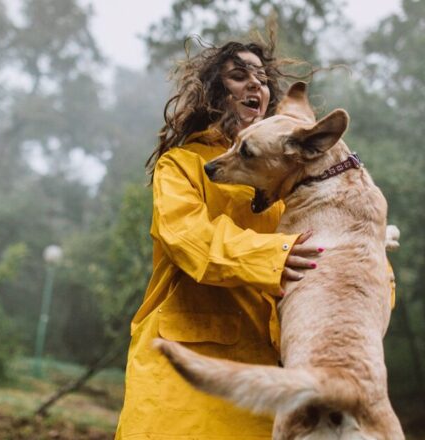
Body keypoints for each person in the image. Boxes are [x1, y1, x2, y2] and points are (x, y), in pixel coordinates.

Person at [114, 39, 323, 439]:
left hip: (266, 379)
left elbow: (336, 249)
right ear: (215, 92)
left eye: (261, 79)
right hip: (185, 372)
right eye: (239, 75)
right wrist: (275, 256)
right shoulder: (181, 165)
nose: (255, 86)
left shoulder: (291, 178)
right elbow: (190, 240)